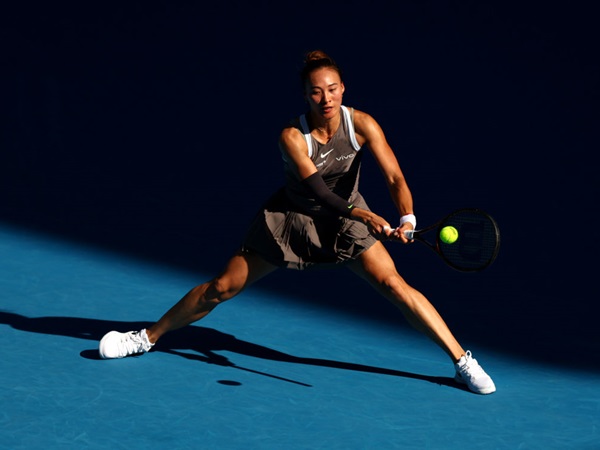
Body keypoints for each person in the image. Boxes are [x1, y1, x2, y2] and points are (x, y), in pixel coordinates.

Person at [99, 50, 496, 395]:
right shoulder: (292, 136)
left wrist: (407, 217)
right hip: (292, 221)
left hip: (346, 223)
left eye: (333, 88)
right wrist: (365, 215)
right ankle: (146, 337)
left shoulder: (362, 124)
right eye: (316, 91)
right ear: (305, 95)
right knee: (221, 287)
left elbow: (394, 178)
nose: (326, 98)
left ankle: (462, 363)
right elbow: (322, 194)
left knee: (395, 285)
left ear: (343, 88)